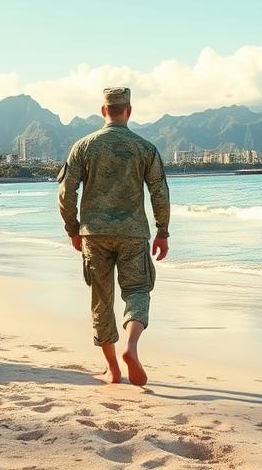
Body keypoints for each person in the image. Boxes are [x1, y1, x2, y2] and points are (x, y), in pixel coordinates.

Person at [58, 86, 170, 386]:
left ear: (104, 110)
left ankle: (112, 369)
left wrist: (73, 229)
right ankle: (131, 346)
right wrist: (162, 231)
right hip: (133, 235)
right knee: (137, 291)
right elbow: (159, 191)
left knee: (101, 300)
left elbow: (67, 192)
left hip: (94, 235)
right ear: (129, 111)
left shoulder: (84, 146)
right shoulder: (145, 148)